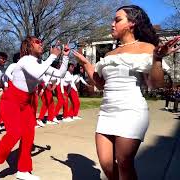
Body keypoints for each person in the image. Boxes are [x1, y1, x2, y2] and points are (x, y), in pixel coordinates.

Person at [73, 5, 178, 180]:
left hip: (131, 111)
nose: (112, 24)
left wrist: (157, 59)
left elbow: (156, 84)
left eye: (117, 19)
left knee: (123, 162)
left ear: (132, 23)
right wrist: (85, 63)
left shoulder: (147, 48)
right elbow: (100, 84)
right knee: (106, 163)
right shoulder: (110, 54)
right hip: (107, 112)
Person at [0, 37, 70, 180]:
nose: (41, 43)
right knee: (14, 133)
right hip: (11, 100)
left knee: (28, 135)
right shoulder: (25, 60)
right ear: (28, 46)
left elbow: (60, 74)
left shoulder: (40, 63)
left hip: (27, 103)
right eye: (37, 42)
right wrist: (53, 56)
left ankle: (23, 170)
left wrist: (65, 57)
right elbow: (37, 73)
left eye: (41, 42)